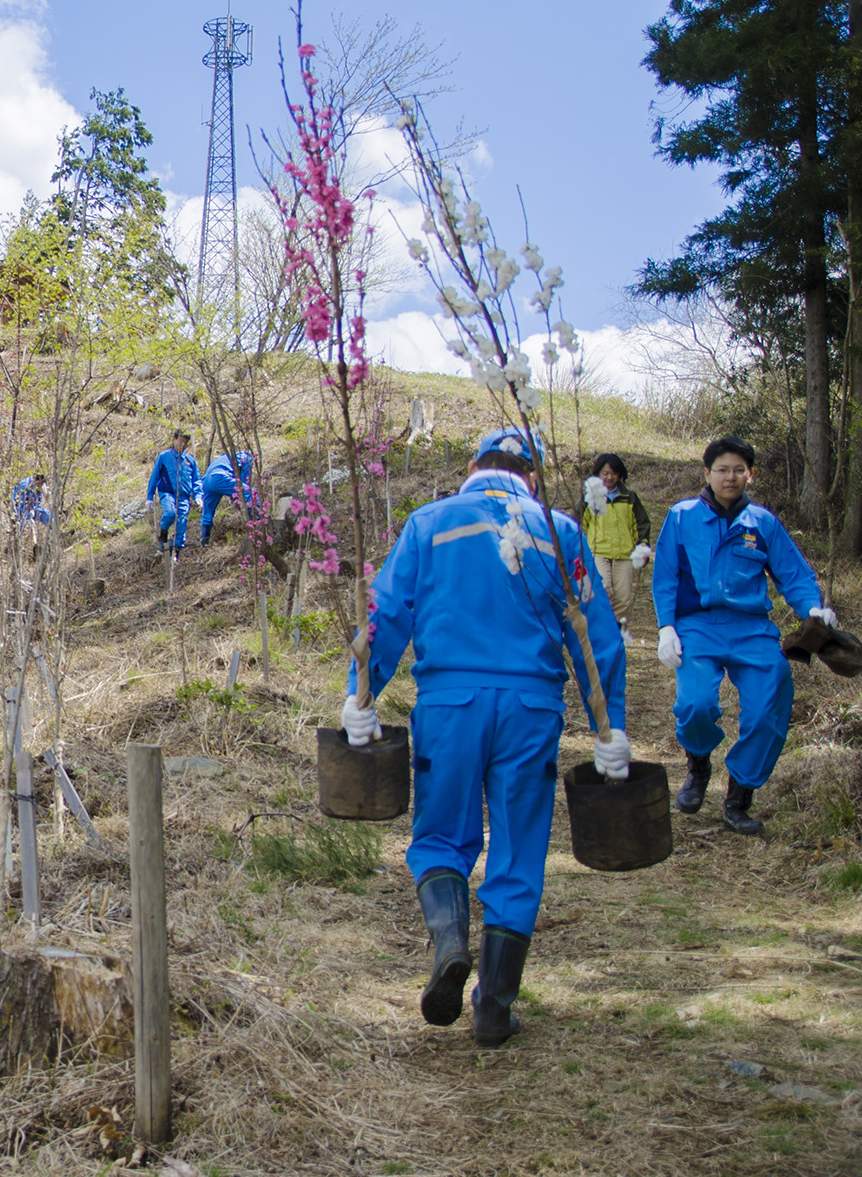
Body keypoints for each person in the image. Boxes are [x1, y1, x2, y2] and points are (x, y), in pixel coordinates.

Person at [343, 427, 627, 1048]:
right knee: (520, 849)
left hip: (449, 704)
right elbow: (594, 636)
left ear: (473, 465)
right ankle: (494, 1008)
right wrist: (611, 729)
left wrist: (359, 695)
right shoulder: (560, 531)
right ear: (533, 475)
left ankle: (450, 943)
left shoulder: (429, 523)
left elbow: (385, 615)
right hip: (531, 706)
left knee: (441, 836)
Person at [653, 435, 833, 835]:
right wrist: (666, 625)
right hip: (697, 626)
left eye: (738, 470)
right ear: (707, 473)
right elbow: (665, 576)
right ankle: (698, 764)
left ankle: (739, 796)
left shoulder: (763, 522)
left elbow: (795, 575)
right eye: (722, 469)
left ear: (749, 474)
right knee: (696, 703)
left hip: (752, 630)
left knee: (771, 701)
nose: (730, 477)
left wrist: (813, 610)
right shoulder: (681, 517)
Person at [579, 451, 652, 637]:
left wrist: (642, 547)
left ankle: (616, 634)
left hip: (625, 554)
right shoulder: (590, 498)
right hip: (598, 552)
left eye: (613, 473)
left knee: (624, 598)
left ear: (620, 474)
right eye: (605, 473)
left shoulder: (630, 498)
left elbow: (642, 524)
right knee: (603, 589)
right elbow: (577, 524)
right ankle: (600, 629)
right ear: (598, 474)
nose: (609, 477)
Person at [198, 449, 259, 546]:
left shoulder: (225, 457)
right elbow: (244, 483)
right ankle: (258, 524)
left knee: (207, 513)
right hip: (219, 477)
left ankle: (204, 542)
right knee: (251, 494)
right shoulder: (247, 458)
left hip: (206, 481)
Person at [146, 431, 194, 553]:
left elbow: (197, 479)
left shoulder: (189, 460)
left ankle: (176, 549)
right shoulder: (164, 457)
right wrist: (149, 497)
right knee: (170, 513)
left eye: (185, 442)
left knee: (182, 521)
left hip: (183, 496)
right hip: (167, 492)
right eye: (180, 441)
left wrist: (198, 495)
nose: (182, 445)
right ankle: (163, 532)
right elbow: (154, 477)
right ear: (174, 439)